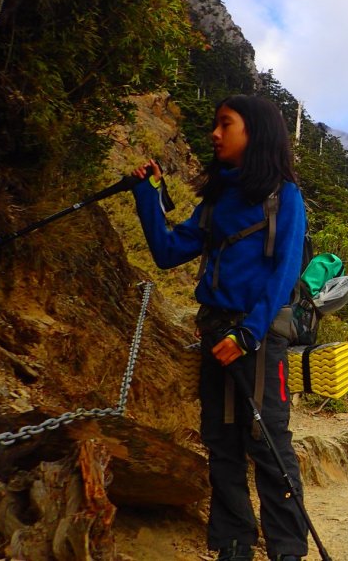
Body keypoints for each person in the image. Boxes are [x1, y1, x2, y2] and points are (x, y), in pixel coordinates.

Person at [130, 94, 308, 561]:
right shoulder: (217, 200)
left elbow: (284, 272)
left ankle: (287, 550)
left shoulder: (283, 196)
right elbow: (169, 253)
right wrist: (148, 197)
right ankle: (233, 545)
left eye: (224, 124)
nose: (214, 133)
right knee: (222, 441)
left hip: (258, 337)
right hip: (215, 332)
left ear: (255, 132)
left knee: (267, 440)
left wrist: (248, 334)